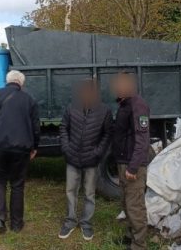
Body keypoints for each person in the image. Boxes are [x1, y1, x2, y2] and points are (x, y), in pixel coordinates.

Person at [0, 70, 40, 234]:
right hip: (21, 150)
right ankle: (17, 224)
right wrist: (34, 148)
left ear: (7, 80)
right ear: (21, 83)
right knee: (17, 185)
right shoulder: (30, 100)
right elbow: (36, 128)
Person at [58, 79, 112, 241]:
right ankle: (70, 221)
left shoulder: (104, 111)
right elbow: (63, 128)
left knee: (89, 193)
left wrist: (97, 153)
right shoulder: (71, 108)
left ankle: (86, 224)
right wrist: (66, 148)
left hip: (91, 160)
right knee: (70, 191)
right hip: (72, 158)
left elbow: (107, 133)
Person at [111, 73, 151, 250]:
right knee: (126, 203)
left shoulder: (137, 104)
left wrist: (133, 167)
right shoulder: (124, 104)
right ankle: (130, 236)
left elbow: (142, 138)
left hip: (132, 164)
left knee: (135, 205)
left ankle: (139, 245)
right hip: (123, 161)